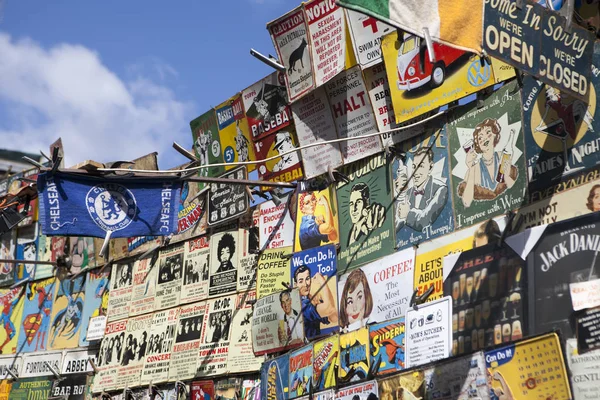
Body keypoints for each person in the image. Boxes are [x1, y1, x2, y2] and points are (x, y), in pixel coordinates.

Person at [460, 119, 517, 207]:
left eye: (488, 132)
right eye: (480, 138)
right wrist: (471, 169)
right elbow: (466, 202)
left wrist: (506, 176)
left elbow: (514, 188)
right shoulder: (475, 168)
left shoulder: (503, 156)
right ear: (477, 144)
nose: (484, 138)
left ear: (495, 135)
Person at [395, 147, 448, 233]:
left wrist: (407, 214)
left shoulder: (441, 189)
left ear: (430, 168)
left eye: (421, 166)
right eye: (414, 167)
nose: (416, 172)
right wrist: (398, 193)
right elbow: (395, 228)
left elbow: (425, 221)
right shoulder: (408, 193)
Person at [293, 265, 336, 337]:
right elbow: (329, 308)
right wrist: (322, 280)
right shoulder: (301, 304)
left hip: (317, 345)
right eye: (301, 281)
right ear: (295, 284)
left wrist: (319, 302)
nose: (305, 284)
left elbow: (334, 318)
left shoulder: (311, 300)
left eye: (307, 279)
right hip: (306, 346)